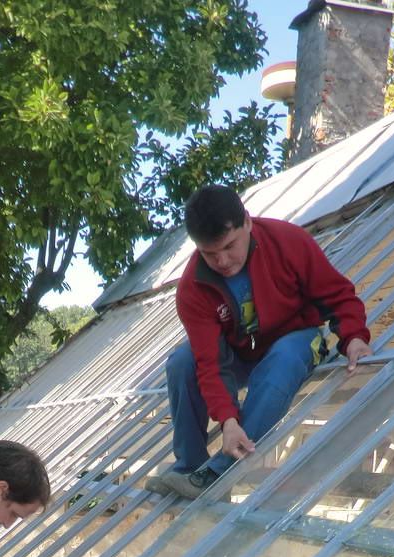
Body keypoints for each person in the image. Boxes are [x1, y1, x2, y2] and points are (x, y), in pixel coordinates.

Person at [146, 184, 372, 500]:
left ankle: (219, 473)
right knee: (182, 363)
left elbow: (338, 295)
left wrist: (354, 337)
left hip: (297, 338)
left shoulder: (289, 241)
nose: (222, 261)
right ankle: (190, 469)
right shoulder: (193, 287)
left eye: (229, 246)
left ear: (248, 222)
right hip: (241, 353)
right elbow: (209, 363)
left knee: (283, 358)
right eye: (210, 253)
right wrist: (228, 420)